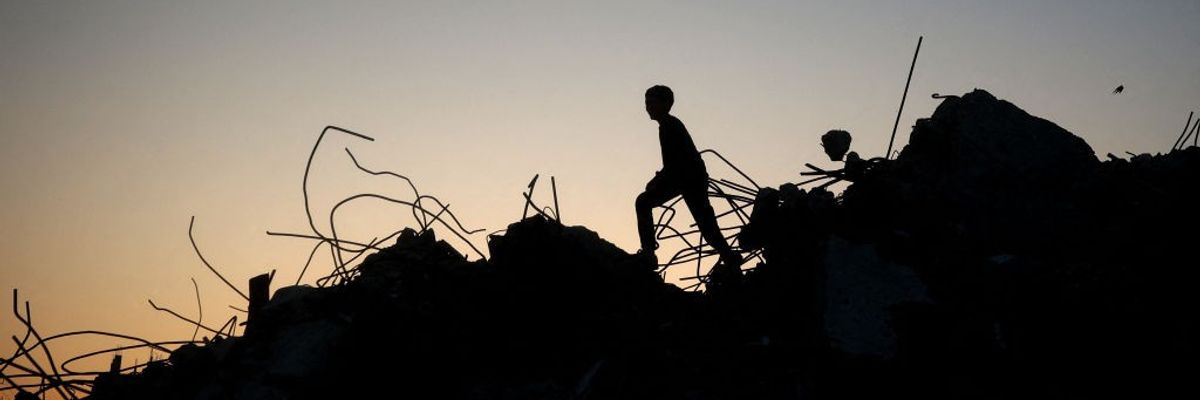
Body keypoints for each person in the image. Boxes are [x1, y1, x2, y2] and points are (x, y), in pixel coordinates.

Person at [635, 85, 741, 280]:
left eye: (651, 102)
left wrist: (657, 181)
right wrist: (660, 179)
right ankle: (730, 258)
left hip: (688, 178)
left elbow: (674, 164)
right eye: (646, 103)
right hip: (688, 177)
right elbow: (673, 163)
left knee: (643, 202)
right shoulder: (668, 125)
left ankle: (649, 254)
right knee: (706, 224)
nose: (648, 107)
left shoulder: (669, 125)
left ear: (665, 104)